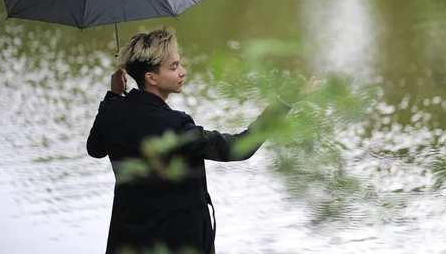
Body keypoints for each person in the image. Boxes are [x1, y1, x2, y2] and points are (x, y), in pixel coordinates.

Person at [86, 26, 319, 254]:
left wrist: (113, 95)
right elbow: (238, 149)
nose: (183, 72)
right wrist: (283, 104)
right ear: (151, 78)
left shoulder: (111, 111)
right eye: (174, 67)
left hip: (127, 240)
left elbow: (95, 149)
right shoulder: (175, 126)